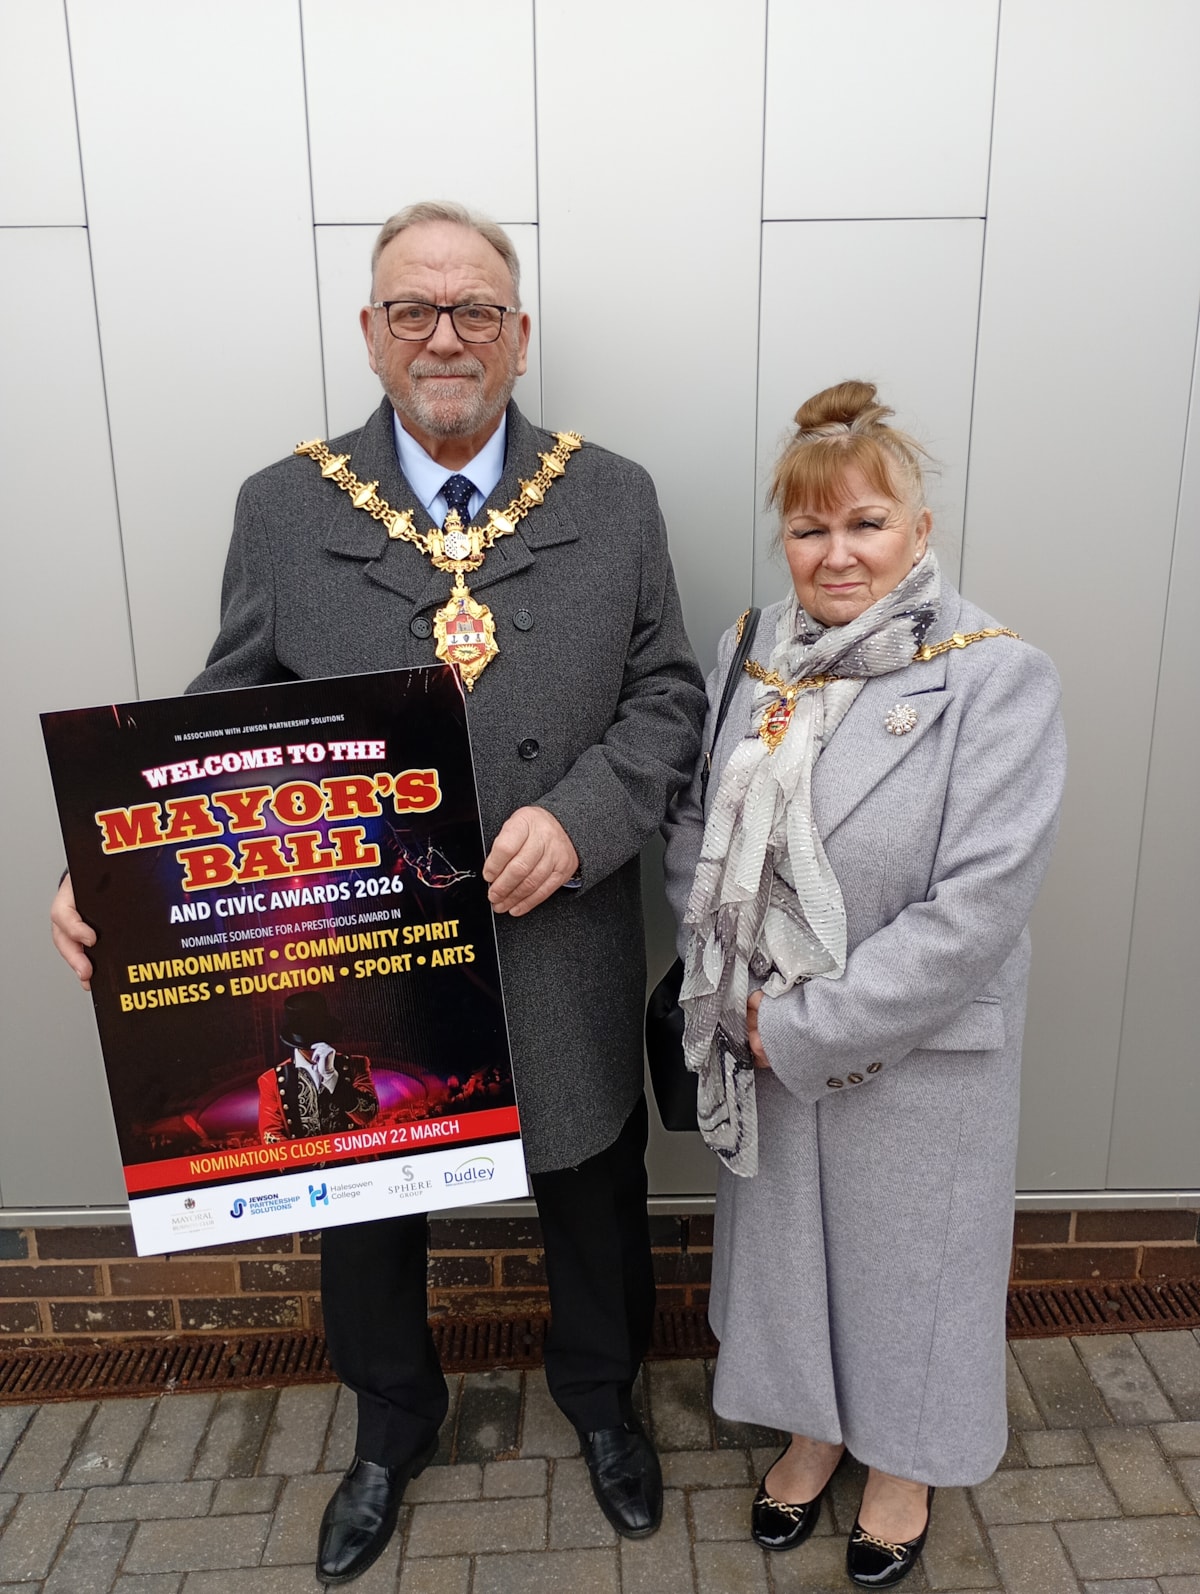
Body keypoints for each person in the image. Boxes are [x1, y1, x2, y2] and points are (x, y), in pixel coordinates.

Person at [51, 200, 706, 1585]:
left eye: (475, 309)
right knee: (363, 1211)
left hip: (560, 928)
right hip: (360, 958)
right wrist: (116, 871)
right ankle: (388, 1427)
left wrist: (581, 820)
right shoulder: (283, 507)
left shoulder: (615, 494)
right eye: (414, 309)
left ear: (520, 337)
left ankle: (603, 1405)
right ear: (371, 333)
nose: (445, 336)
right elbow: (218, 727)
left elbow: (668, 697)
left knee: (591, 1189)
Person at [664, 381, 1065, 1588]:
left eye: (865, 525)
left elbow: (977, 909)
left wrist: (803, 1024)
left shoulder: (995, 676)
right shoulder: (751, 649)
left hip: (912, 1044)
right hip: (759, 1018)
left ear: (919, 530)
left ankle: (904, 1463)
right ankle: (813, 1428)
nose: (835, 555)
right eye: (809, 529)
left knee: (912, 1268)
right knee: (791, 1253)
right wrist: (732, 981)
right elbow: (697, 820)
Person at [259, 992, 378, 1144]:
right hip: (303, 1166)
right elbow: (271, 1136)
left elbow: (368, 1115)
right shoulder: (271, 1080)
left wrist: (331, 1077)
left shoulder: (356, 1065)